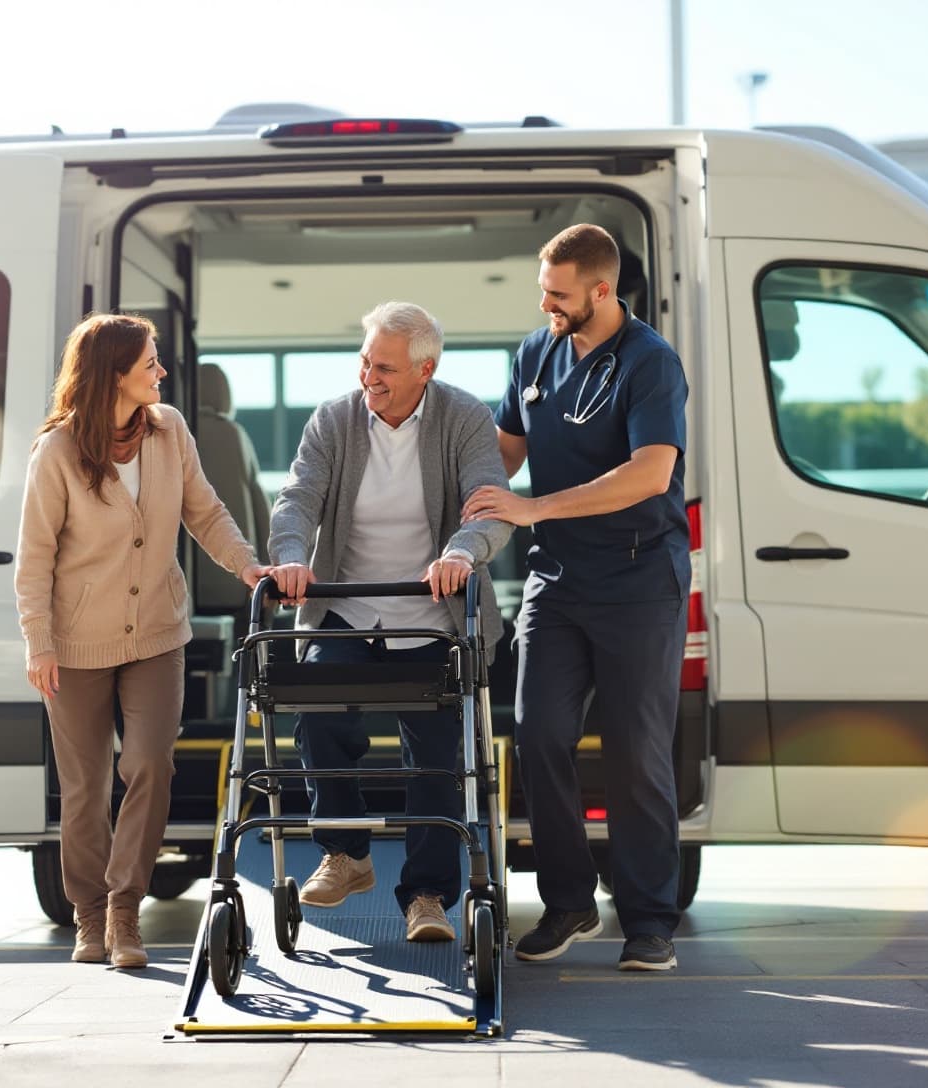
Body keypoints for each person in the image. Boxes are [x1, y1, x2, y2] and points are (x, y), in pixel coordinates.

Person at [462, 223, 690, 972]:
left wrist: (534, 508)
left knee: (636, 754)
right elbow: (501, 452)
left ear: (601, 290)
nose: (545, 302)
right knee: (538, 736)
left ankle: (650, 920)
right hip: (556, 583)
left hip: (637, 583)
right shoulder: (537, 351)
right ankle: (568, 903)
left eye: (557, 293)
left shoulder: (651, 364)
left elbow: (650, 473)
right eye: (543, 289)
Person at [14, 313, 269, 969]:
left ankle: (125, 911)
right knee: (86, 787)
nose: (161, 371)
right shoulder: (60, 452)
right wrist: (37, 643)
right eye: (150, 362)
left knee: (149, 765)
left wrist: (247, 567)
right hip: (74, 644)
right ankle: (90, 917)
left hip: (157, 632)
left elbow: (204, 509)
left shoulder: (169, 431)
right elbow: (34, 557)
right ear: (114, 373)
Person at [267, 301, 512, 942]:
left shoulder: (463, 417)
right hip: (348, 606)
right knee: (318, 713)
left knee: (434, 756)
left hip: (431, 614)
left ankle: (427, 896)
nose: (368, 377)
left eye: (384, 367)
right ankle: (346, 856)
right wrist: (292, 559)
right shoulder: (335, 420)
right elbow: (298, 499)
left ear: (425, 369)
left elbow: (489, 503)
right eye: (364, 362)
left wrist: (462, 551)